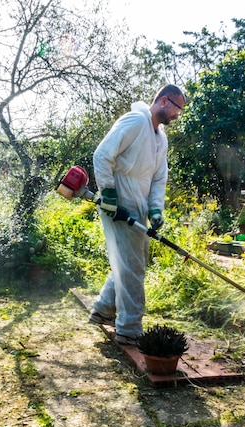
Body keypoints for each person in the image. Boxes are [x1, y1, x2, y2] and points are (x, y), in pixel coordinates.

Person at [90, 84, 186, 346]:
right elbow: (102, 155)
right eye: (178, 108)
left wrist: (155, 208)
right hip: (119, 198)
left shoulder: (160, 137)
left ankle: (103, 309)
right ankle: (129, 329)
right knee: (133, 265)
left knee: (133, 259)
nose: (178, 115)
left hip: (139, 202)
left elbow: (159, 177)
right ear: (164, 101)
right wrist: (108, 193)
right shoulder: (135, 120)